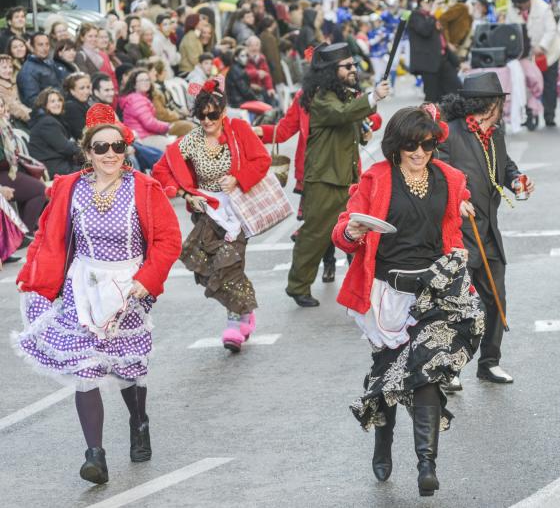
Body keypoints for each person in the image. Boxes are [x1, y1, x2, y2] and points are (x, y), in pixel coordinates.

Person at [14, 103, 182, 484]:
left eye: (118, 147)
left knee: (128, 368)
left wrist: (146, 279)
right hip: (83, 286)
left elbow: (168, 240)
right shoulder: (68, 188)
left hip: (129, 286)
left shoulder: (143, 188)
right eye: (101, 148)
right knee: (85, 368)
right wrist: (34, 276)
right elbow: (47, 236)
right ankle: (95, 456)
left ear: (126, 149)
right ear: (87, 152)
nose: (111, 155)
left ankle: (139, 423)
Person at [331, 105, 484, 497]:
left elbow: (455, 215)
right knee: (388, 375)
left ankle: (426, 465)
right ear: (396, 146)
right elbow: (345, 228)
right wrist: (350, 230)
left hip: (435, 290)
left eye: (428, 145)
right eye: (411, 146)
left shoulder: (448, 178)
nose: (419, 153)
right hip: (387, 293)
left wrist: (457, 241)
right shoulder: (377, 179)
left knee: (427, 371)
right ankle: (383, 442)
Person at [152, 77, 269, 351]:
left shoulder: (238, 130)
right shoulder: (191, 141)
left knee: (229, 265)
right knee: (201, 264)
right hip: (206, 213)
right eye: (201, 116)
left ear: (223, 112)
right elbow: (161, 169)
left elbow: (261, 160)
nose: (206, 121)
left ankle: (233, 323)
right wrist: (184, 194)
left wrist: (238, 178)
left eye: (212, 115)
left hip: (238, 210)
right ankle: (244, 310)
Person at [438, 72, 533, 386]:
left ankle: (489, 362)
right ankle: (450, 367)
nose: (503, 107)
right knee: (458, 304)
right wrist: (455, 203)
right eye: (500, 101)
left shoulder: (496, 133)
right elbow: (436, 177)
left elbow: (504, 167)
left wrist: (517, 179)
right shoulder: (448, 134)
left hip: (488, 232)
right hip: (459, 235)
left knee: (496, 299)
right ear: (490, 104)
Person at [285, 42, 390, 307]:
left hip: (346, 176)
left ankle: (364, 286)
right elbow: (341, 115)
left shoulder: (340, 94)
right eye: (348, 66)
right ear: (332, 70)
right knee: (316, 233)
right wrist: (373, 97)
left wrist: (363, 132)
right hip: (324, 178)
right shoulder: (321, 97)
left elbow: (348, 124)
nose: (354, 70)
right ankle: (298, 286)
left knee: (359, 231)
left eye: (354, 65)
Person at [506, 0, 560, 127]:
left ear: (528, 0)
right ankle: (530, 114)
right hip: (525, 55)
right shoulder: (511, 10)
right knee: (527, 84)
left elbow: (551, 30)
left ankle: (549, 115)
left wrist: (542, 46)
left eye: (522, 3)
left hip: (548, 53)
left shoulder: (543, 8)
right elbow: (509, 30)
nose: (520, 5)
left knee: (549, 84)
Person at [0, 95, 46, 232]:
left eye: (1, 106)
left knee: (34, 186)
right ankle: (23, 232)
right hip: (3, 173)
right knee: (38, 190)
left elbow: (13, 156)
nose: (0, 110)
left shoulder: (4, 125)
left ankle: (22, 231)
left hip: (9, 170)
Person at [407, 0, 461, 103]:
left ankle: (451, 119)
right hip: (428, 64)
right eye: (426, 1)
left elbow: (441, 40)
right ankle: (429, 120)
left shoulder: (432, 17)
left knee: (456, 91)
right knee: (432, 97)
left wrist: (455, 60)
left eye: (431, 1)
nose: (430, 4)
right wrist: (432, 14)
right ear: (420, 2)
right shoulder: (415, 16)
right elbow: (424, 31)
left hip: (443, 59)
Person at [28, 87, 81, 177]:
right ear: (44, 105)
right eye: (52, 101)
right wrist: (86, 150)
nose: (57, 104)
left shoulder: (50, 119)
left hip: (58, 163)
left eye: (59, 100)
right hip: (52, 168)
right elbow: (65, 148)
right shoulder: (47, 123)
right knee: (92, 168)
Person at [118, 68, 174, 152]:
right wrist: (167, 126)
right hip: (142, 138)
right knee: (175, 148)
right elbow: (150, 123)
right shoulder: (137, 99)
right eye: (141, 80)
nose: (146, 82)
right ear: (134, 84)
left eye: (147, 80)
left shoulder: (138, 97)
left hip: (144, 136)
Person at [17, 33, 61, 108]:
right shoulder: (28, 71)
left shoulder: (49, 62)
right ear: (32, 47)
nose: (45, 48)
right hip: (48, 111)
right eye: (40, 45)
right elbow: (32, 100)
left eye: (47, 44)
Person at [61, 72, 93, 141]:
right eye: (82, 88)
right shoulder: (71, 107)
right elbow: (82, 134)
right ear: (72, 91)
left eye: (88, 87)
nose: (86, 91)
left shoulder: (84, 103)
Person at [0, 54, 31, 124]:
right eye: (4, 67)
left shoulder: (13, 82)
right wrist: (32, 115)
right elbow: (13, 107)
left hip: (24, 117)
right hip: (11, 122)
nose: (8, 70)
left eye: (10, 67)